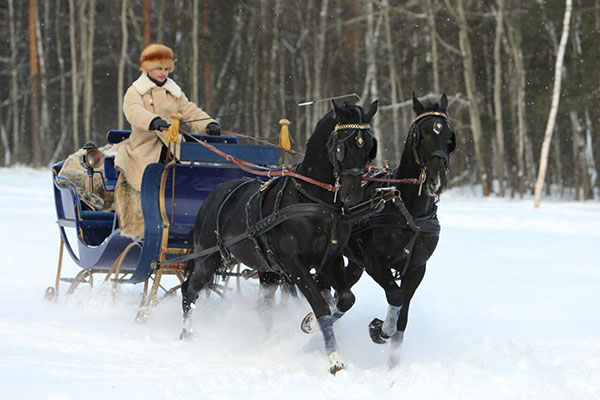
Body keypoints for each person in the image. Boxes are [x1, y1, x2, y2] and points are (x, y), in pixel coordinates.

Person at [114, 43, 220, 237]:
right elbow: (133, 111)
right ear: (147, 68)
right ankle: (144, 224)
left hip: (173, 148)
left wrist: (208, 124)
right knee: (143, 178)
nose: (163, 73)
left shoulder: (174, 92)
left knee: (190, 177)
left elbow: (190, 110)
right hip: (144, 149)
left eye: (166, 69)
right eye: (158, 68)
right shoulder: (136, 91)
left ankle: (187, 221)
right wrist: (152, 120)